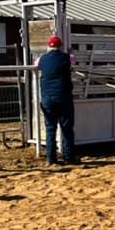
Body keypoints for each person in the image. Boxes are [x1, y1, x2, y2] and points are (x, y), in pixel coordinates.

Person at [36, 35, 77, 166]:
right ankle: (69, 157)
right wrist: (71, 52)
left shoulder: (42, 58)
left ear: (48, 46)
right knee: (67, 128)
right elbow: (73, 61)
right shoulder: (67, 57)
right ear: (60, 46)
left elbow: (36, 65)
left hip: (47, 98)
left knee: (50, 129)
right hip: (63, 97)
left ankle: (51, 158)